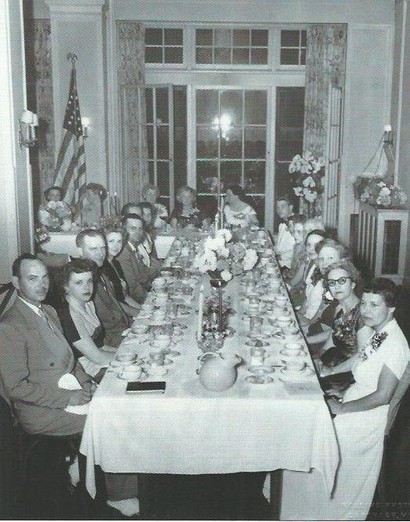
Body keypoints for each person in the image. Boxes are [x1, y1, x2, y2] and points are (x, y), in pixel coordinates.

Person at [316, 278, 410, 520]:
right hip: (356, 399)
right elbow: (361, 357)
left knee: (320, 434)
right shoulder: (380, 334)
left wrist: (343, 407)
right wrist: (327, 373)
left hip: (369, 417)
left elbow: (383, 395)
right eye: (364, 303)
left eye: (374, 305)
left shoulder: (396, 344)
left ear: (391, 309)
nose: (366, 310)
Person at [0, 254, 92, 436]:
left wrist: (86, 383)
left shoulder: (49, 311)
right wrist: (68, 398)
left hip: (70, 392)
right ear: (17, 282)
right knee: (110, 421)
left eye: (45, 277)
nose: (42, 285)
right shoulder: (9, 326)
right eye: (33, 279)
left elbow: (70, 359)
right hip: (42, 412)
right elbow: (16, 387)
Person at [57, 258, 116, 378]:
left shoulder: (88, 303)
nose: (87, 288)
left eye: (89, 281)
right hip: (86, 372)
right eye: (79, 283)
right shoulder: (69, 316)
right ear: (66, 286)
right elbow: (97, 358)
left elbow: (100, 346)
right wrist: (131, 358)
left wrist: (127, 352)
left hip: (99, 362)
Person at [76, 229, 130, 347]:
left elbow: (116, 307)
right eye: (93, 249)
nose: (100, 254)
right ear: (80, 251)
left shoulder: (100, 273)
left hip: (123, 331)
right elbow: (103, 327)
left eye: (102, 248)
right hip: (110, 341)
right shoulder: (82, 282)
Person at [318, 260, 363, 367]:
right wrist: (319, 361)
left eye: (342, 280)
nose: (336, 286)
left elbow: (361, 357)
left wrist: (330, 371)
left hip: (351, 372)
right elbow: (329, 345)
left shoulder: (362, 314)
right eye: (332, 283)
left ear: (353, 284)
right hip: (334, 364)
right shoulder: (340, 310)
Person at [117, 214, 161, 303]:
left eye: (140, 229)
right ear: (124, 230)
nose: (138, 232)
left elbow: (143, 272)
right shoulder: (124, 253)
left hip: (144, 292)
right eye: (133, 229)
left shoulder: (133, 247)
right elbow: (133, 288)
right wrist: (153, 299)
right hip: (135, 301)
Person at [102, 224, 141, 316]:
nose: (116, 246)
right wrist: (138, 314)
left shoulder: (116, 263)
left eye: (119, 241)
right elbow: (114, 303)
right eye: (111, 241)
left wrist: (142, 310)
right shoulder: (102, 267)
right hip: (116, 314)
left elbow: (125, 297)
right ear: (103, 243)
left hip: (126, 309)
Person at [273, 195, 295, 269]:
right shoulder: (282, 225)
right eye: (277, 207)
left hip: (288, 265)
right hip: (279, 262)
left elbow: (297, 248)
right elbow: (280, 245)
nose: (279, 210)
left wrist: (281, 257)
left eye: (283, 206)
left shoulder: (296, 224)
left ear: (291, 207)